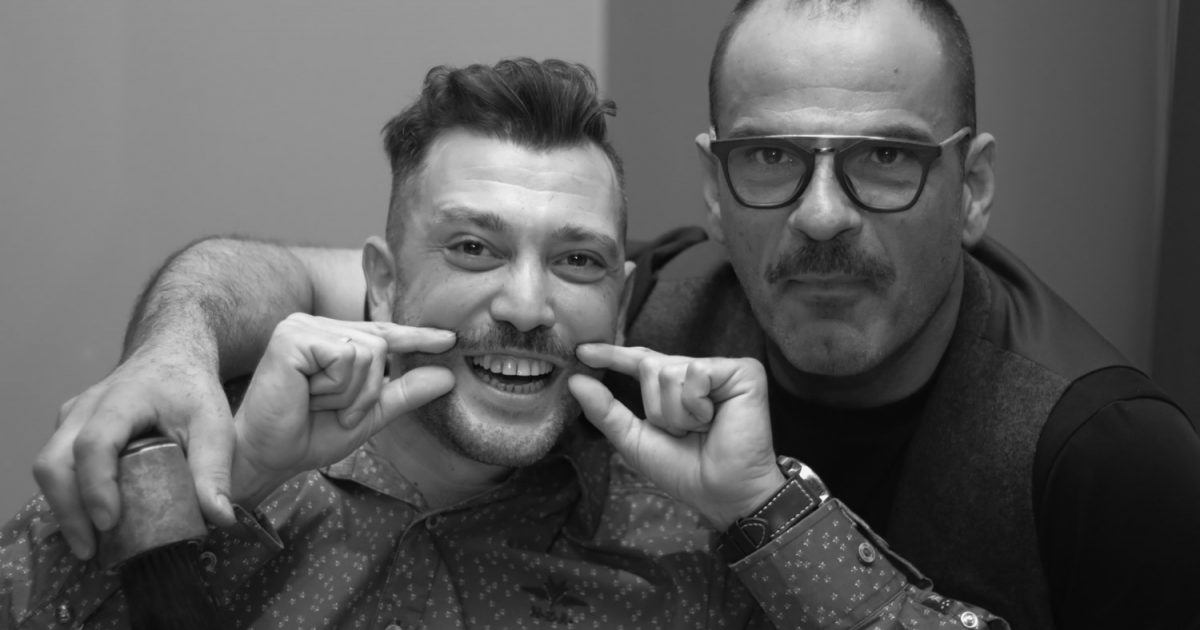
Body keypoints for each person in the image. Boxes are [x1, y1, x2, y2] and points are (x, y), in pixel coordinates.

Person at [27, 0, 1200, 628]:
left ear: (619, 295)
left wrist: (762, 512)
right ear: (379, 284)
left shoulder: (697, 552)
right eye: (474, 247)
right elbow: (255, 272)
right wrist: (200, 424)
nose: (527, 303)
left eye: (885, 159)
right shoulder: (249, 481)